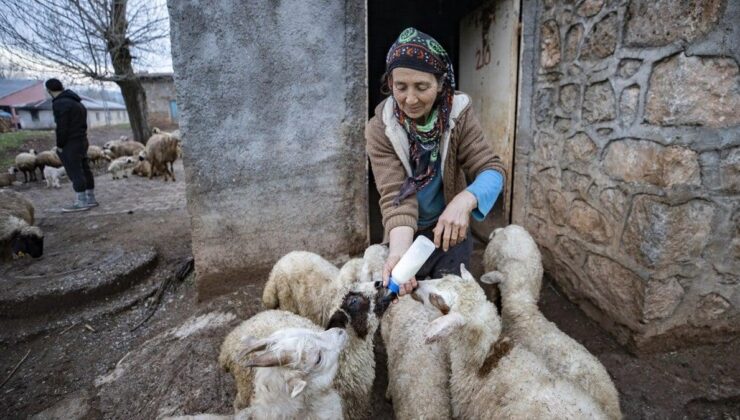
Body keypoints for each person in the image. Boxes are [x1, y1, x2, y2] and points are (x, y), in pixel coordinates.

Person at [365, 28, 507, 297]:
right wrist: (398, 253)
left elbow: (492, 169)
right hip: (404, 234)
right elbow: (396, 197)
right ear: (390, 83)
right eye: (400, 87)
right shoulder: (380, 129)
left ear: (441, 84)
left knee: (451, 304)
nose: (410, 99)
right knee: (408, 309)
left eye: (422, 87)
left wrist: (464, 200)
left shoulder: (458, 116)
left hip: (449, 233)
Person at [45, 78, 98, 212]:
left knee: (75, 171)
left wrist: (60, 144)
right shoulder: (78, 103)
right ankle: (90, 198)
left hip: (70, 142)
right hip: (82, 140)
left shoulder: (60, 103)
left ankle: (81, 202)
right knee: (85, 169)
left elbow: (62, 127)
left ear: (49, 90)